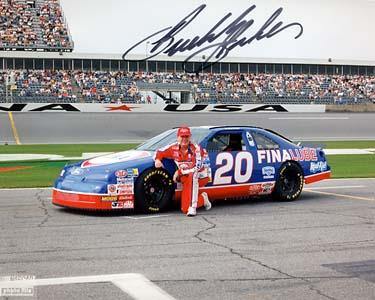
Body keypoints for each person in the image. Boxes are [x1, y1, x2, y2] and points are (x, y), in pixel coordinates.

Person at [154, 126, 212, 217]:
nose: (184, 139)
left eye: (187, 136)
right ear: (178, 137)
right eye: (182, 136)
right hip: (186, 178)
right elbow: (159, 151)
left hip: (201, 176)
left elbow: (197, 167)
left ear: (190, 137)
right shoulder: (173, 148)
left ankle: (193, 208)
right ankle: (203, 199)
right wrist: (158, 160)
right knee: (185, 209)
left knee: (193, 175)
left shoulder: (196, 148)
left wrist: (179, 172)